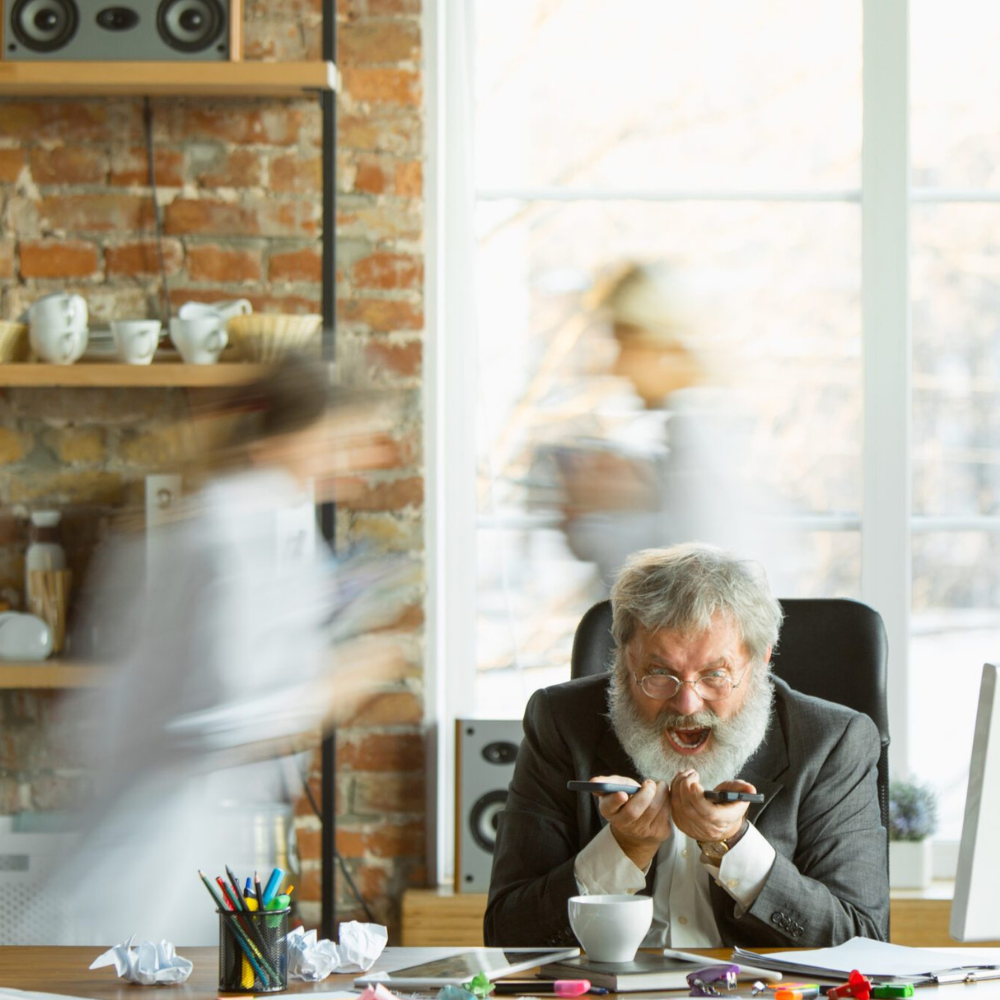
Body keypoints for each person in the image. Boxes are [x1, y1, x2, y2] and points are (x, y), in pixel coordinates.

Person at [34, 352, 409, 946]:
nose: (362, 461)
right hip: (158, 854)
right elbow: (216, 718)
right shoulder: (240, 528)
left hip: (169, 834)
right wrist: (340, 683)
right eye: (347, 439)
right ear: (292, 436)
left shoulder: (244, 518)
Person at [484, 543, 888, 948]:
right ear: (625, 660)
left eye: (714, 674)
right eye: (660, 673)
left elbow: (862, 943)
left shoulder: (834, 741)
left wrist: (733, 847)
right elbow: (507, 933)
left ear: (760, 661)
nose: (687, 704)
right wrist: (622, 849)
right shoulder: (559, 721)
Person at [549, 262, 799, 594]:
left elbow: (691, 591)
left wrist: (602, 525)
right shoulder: (691, 438)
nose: (618, 367)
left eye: (626, 347)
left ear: (663, 346)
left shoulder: (705, 446)